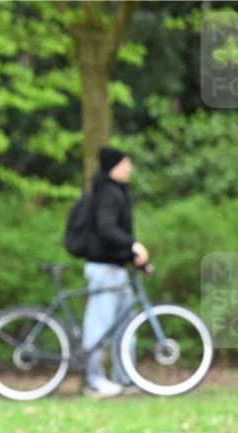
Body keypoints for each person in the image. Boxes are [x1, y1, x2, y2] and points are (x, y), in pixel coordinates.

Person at [80, 146, 150, 398]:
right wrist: (133, 246)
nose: (129, 167)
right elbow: (107, 230)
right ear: (114, 167)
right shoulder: (108, 192)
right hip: (104, 270)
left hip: (115, 268)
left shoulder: (114, 191)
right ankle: (94, 380)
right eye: (125, 163)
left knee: (126, 326)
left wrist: (136, 260)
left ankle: (124, 377)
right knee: (99, 327)